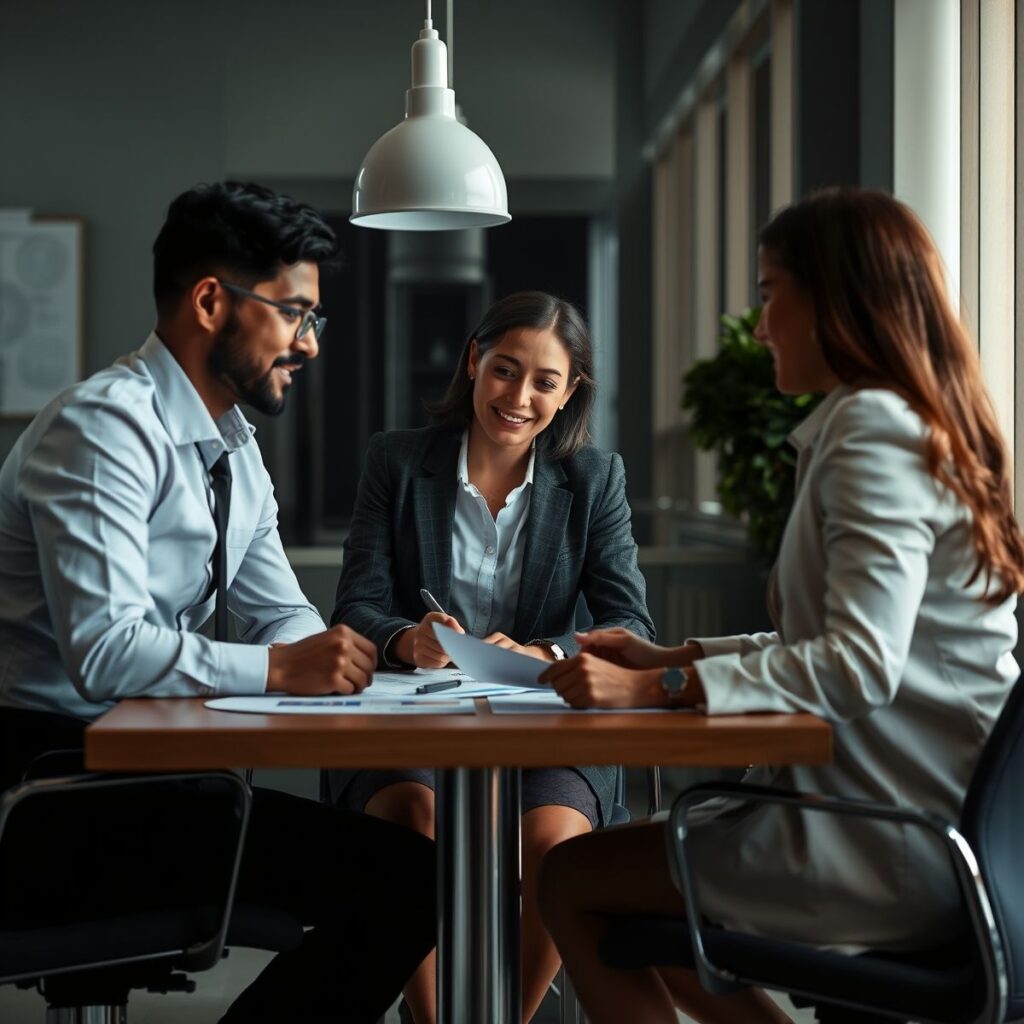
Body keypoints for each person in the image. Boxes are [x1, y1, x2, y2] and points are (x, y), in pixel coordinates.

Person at [535, 187, 1024, 1024]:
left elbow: (859, 665)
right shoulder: (905, 422)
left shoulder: (874, 430)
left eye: (768, 293)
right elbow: (843, 640)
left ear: (835, 298)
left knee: (570, 880)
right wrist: (677, 659)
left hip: (887, 841)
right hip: (931, 828)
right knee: (618, 892)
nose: (759, 326)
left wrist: (651, 693)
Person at [0, 181, 435, 1023]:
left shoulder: (231, 446)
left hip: (154, 781)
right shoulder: (102, 428)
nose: (309, 343)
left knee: (412, 872)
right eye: (293, 313)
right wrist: (284, 666)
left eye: (315, 318)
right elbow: (106, 652)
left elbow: (281, 612)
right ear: (211, 301)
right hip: (57, 795)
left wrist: (329, 659)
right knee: (409, 882)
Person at [331, 290, 655, 1024]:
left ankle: (506, 1016)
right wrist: (404, 638)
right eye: (505, 370)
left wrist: (544, 649)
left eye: (545, 381)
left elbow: (629, 620)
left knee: (552, 844)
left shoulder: (593, 479)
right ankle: (437, 1016)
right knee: (410, 823)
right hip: (409, 722)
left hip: (548, 723)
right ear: (474, 361)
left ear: (569, 391)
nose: (519, 397)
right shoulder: (397, 459)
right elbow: (355, 605)